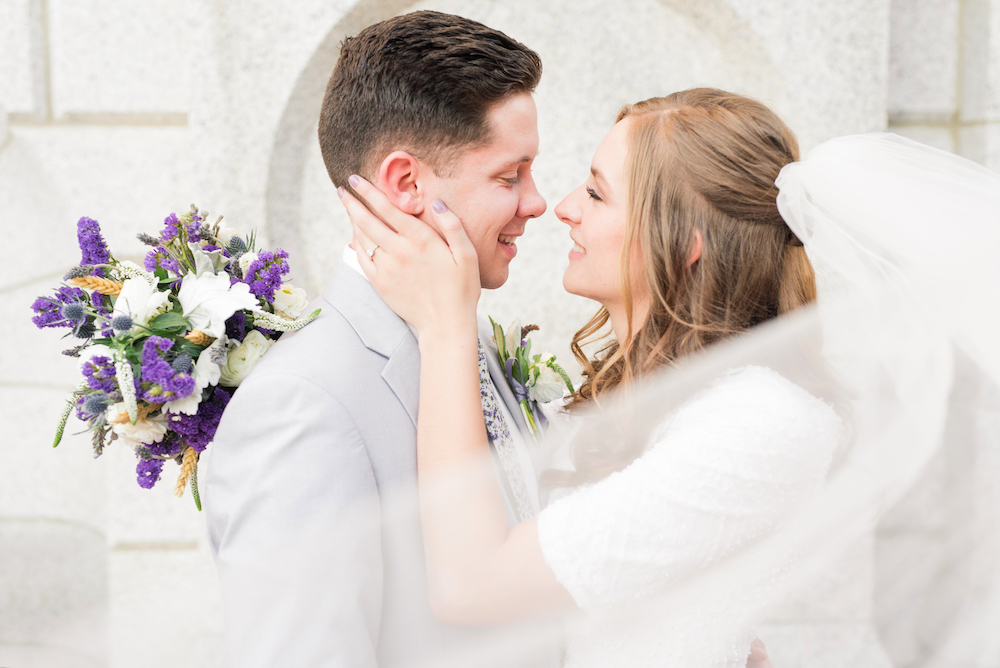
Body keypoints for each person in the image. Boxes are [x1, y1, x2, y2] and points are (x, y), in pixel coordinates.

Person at [340, 88, 836, 666]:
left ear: (684, 244)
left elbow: (473, 584)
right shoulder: (651, 394)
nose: (564, 206)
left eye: (598, 193)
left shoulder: (761, 424)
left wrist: (446, 324)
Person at [204, 11, 557, 668]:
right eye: (510, 176)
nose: (537, 203)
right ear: (407, 183)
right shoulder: (303, 405)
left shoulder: (469, 342)